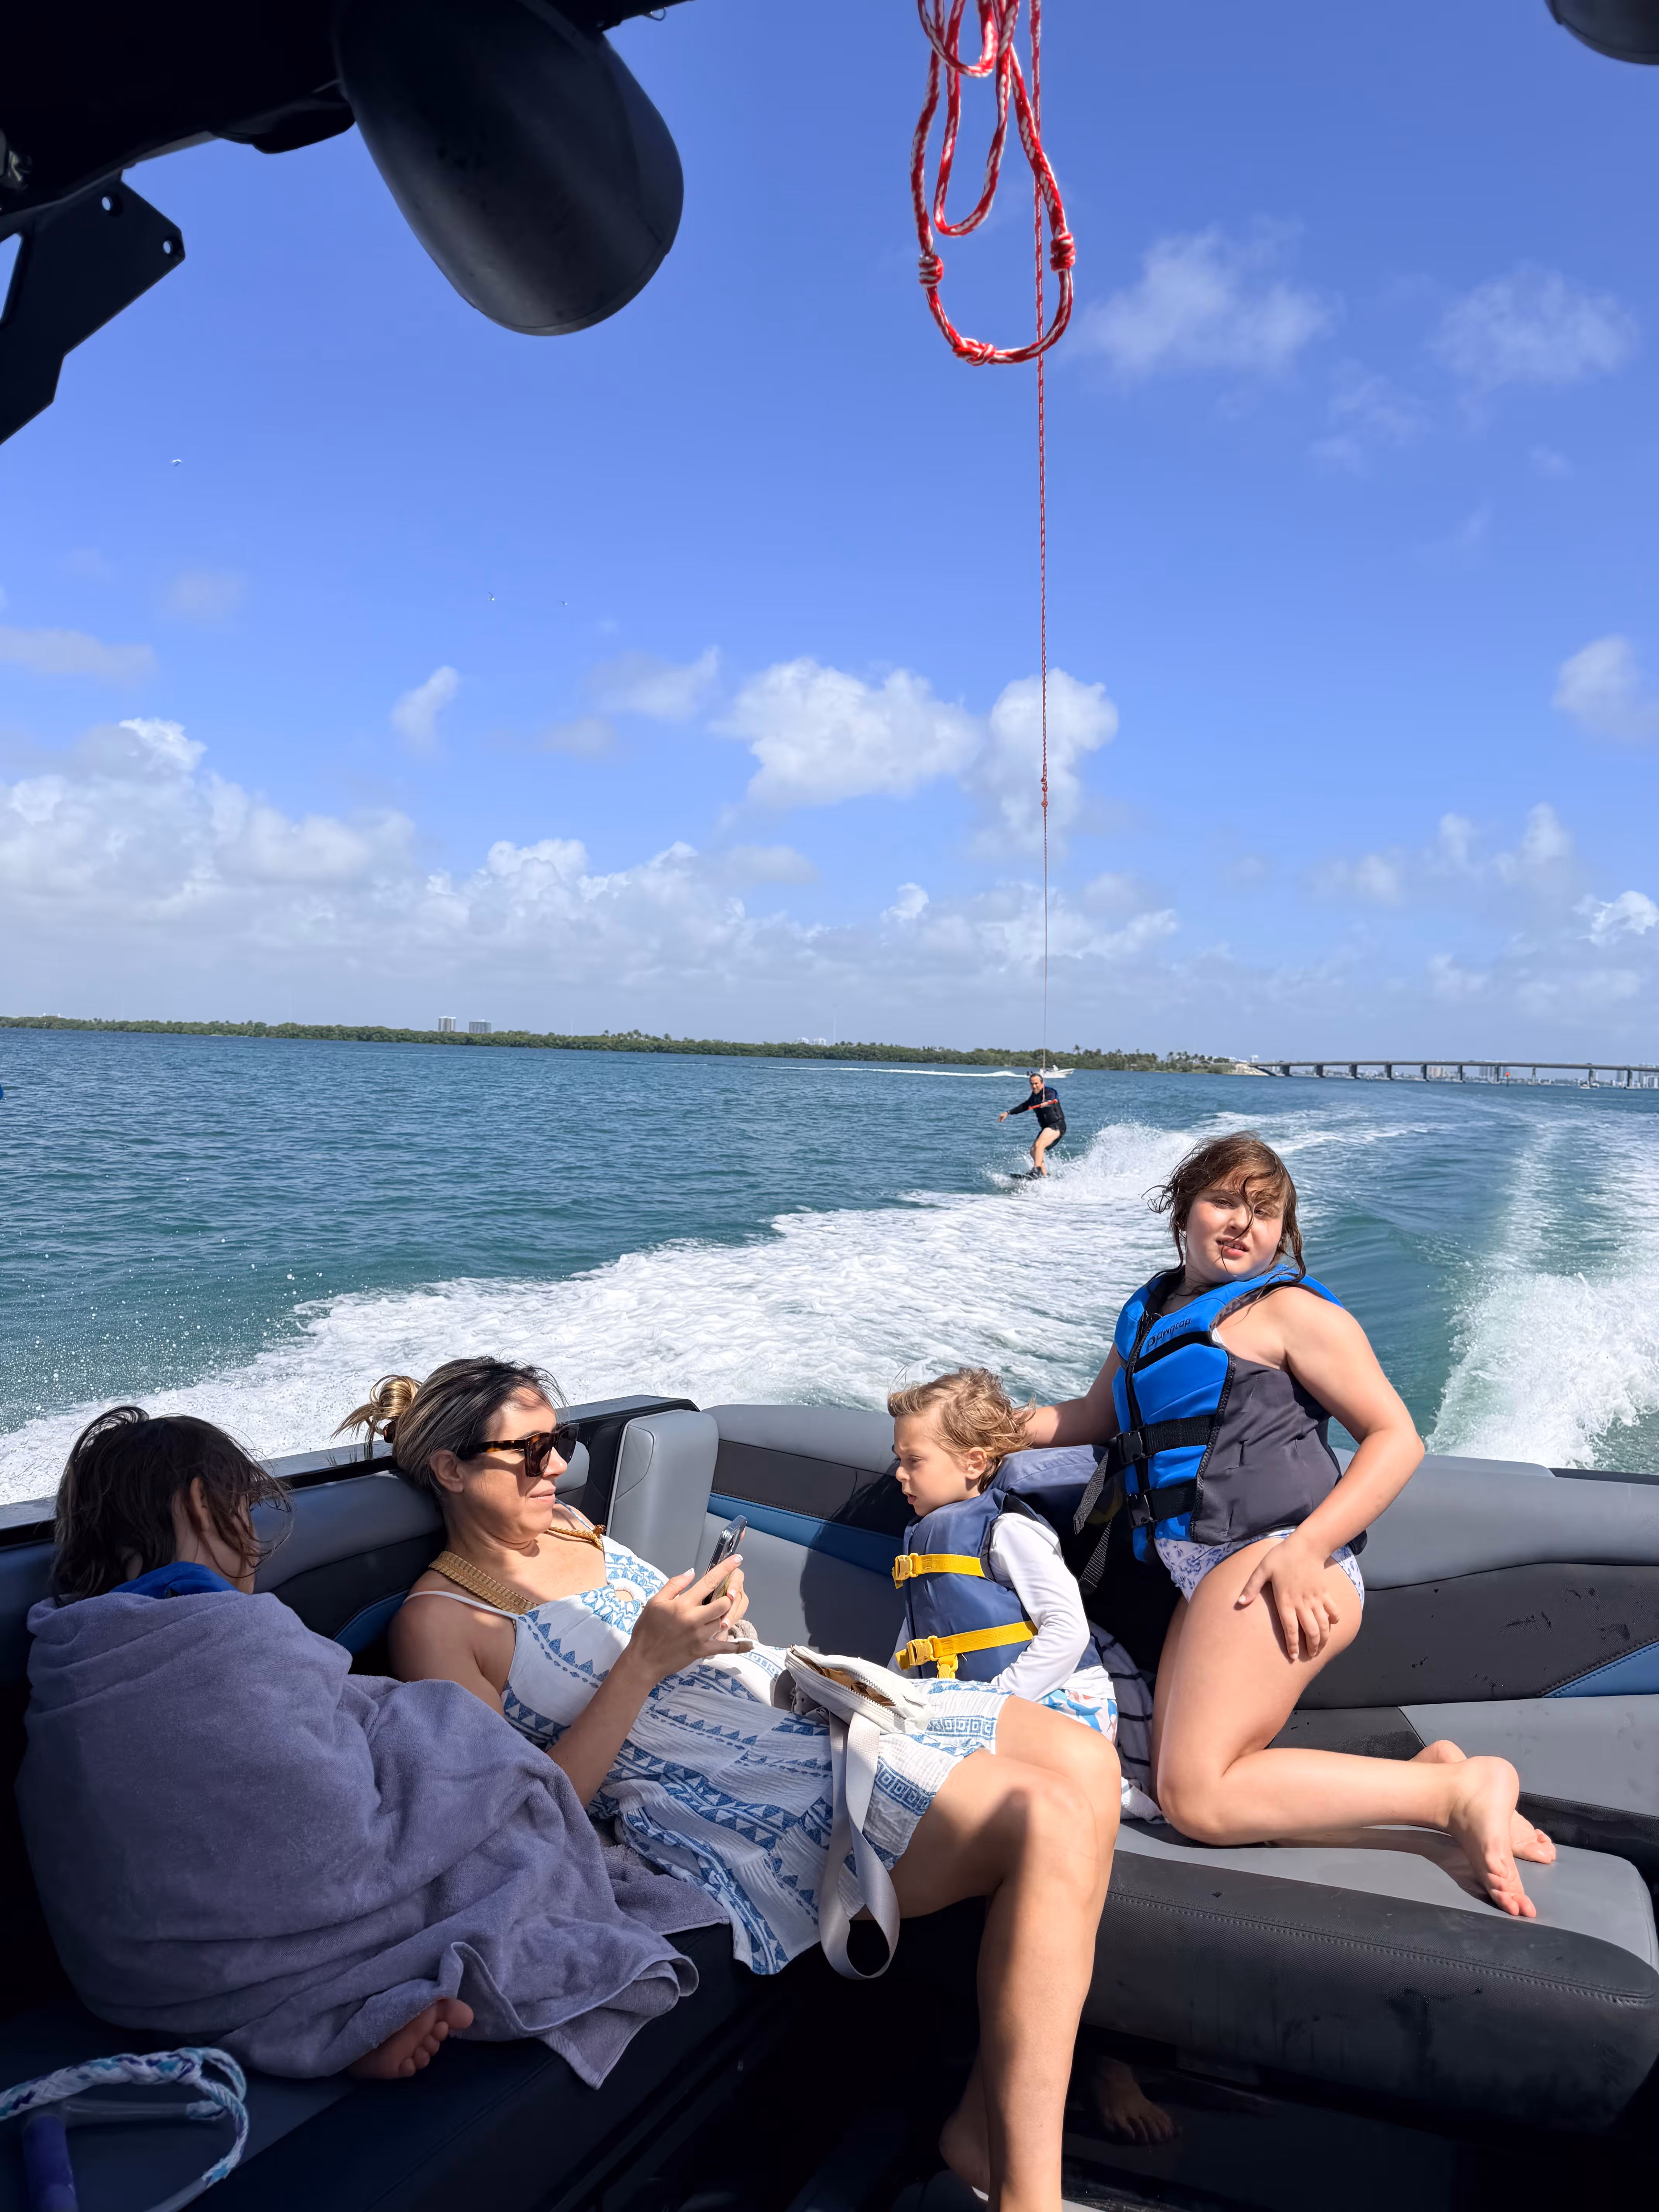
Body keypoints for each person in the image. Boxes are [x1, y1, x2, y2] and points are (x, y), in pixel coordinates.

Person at [353, 1361, 1122, 2212]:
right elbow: (526, 1819)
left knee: (1084, 1757)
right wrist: (643, 1664)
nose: (558, 1467)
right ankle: (1030, 2197)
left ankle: (980, 2126)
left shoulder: (570, 1529)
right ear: (451, 1469)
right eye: (528, 1450)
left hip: (789, 1698)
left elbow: (674, 1642)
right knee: (1045, 1817)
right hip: (728, 1782)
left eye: (560, 1441)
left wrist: (714, 1623)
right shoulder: (439, 1623)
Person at [21, 1408, 728, 2086]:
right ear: (207, 1507)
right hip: (295, 1908)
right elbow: (327, 1822)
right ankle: (347, 2003)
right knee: (458, 1770)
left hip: (139, 1978)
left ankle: (322, 2021)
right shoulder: (233, 1634)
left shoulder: (66, 1661)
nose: (559, 1465)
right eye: (245, 1512)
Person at [1020, 1130, 1555, 1918]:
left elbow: (1396, 1437)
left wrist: (1307, 1550)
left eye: (1264, 1211)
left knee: (1196, 1798)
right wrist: (991, 1428)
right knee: (1178, 1790)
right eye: (1222, 1201)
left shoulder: (1290, 1313)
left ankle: (1456, 1791)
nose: (1242, 1223)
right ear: (1184, 1212)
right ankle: (1431, 1791)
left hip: (1279, 1558)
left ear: (1284, 1232)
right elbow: (1098, 1415)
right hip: (1203, 1569)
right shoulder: (1149, 1312)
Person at [887, 1367, 1172, 2147]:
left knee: (1046, 1857)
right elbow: (921, 1647)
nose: (900, 1476)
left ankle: (1100, 2057)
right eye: (899, 1460)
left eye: (914, 1461)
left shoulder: (1005, 1529)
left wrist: (1000, 1700)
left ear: (975, 1463)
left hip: (1055, 1708)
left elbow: (1065, 1631)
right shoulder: (923, 1542)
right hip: (980, 1719)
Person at [998, 1072, 1066, 1178]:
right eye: (1032, 1084)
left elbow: (1053, 1097)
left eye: (1036, 1084)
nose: (1034, 1086)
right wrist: (1008, 1113)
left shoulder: (1049, 1091)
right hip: (1046, 1128)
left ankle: (1036, 1170)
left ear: (1042, 1084)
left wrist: (1047, 1102)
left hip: (1057, 1125)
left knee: (1040, 1145)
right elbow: (1024, 1106)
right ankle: (1044, 1175)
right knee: (1033, 1151)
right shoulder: (1034, 1097)